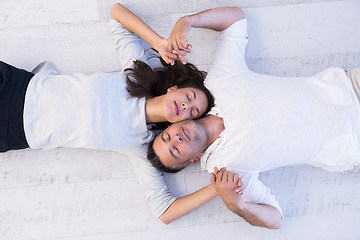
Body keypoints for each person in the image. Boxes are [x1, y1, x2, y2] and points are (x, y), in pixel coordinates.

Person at [144, 7, 360, 229]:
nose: (176, 139)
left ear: (173, 124)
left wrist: (187, 21)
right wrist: (239, 206)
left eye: (167, 137)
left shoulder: (218, 84)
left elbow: (235, 21)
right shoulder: (226, 173)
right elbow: (275, 218)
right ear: (192, 159)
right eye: (175, 150)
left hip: (349, 87)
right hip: (352, 146)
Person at [0, 10, 215, 153]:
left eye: (193, 112)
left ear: (183, 122)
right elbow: (117, 15)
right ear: (173, 88)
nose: (187, 105)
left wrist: (221, 190)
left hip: (14, 130)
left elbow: (164, 209)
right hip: (19, 86)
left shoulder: (139, 142)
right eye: (189, 97)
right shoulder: (139, 75)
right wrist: (159, 43)